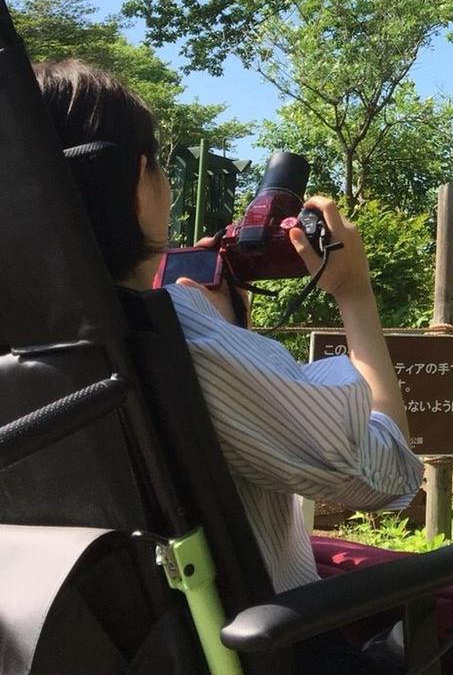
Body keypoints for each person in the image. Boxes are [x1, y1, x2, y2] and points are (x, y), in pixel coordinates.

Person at [34, 58, 424, 595]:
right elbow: (389, 472)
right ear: (138, 187)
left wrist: (221, 328)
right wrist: (354, 293)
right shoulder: (176, 339)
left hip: (83, 639)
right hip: (254, 641)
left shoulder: (35, 345)